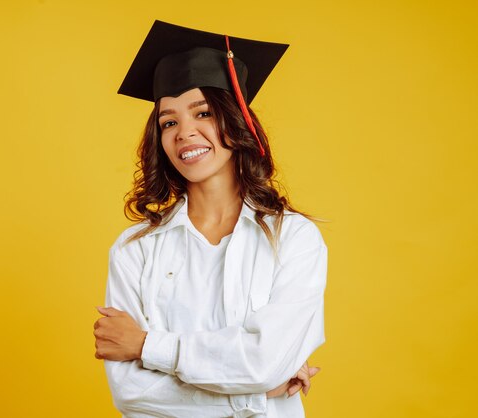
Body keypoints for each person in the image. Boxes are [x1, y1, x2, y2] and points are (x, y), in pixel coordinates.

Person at [93, 20, 327, 418]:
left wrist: (147, 346)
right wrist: (254, 394)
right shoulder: (135, 250)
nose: (184, 132)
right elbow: (131, 393)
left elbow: (264, 362)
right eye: (169, 122)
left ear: (237, 122)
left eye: (202, 113)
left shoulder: (294, 239)